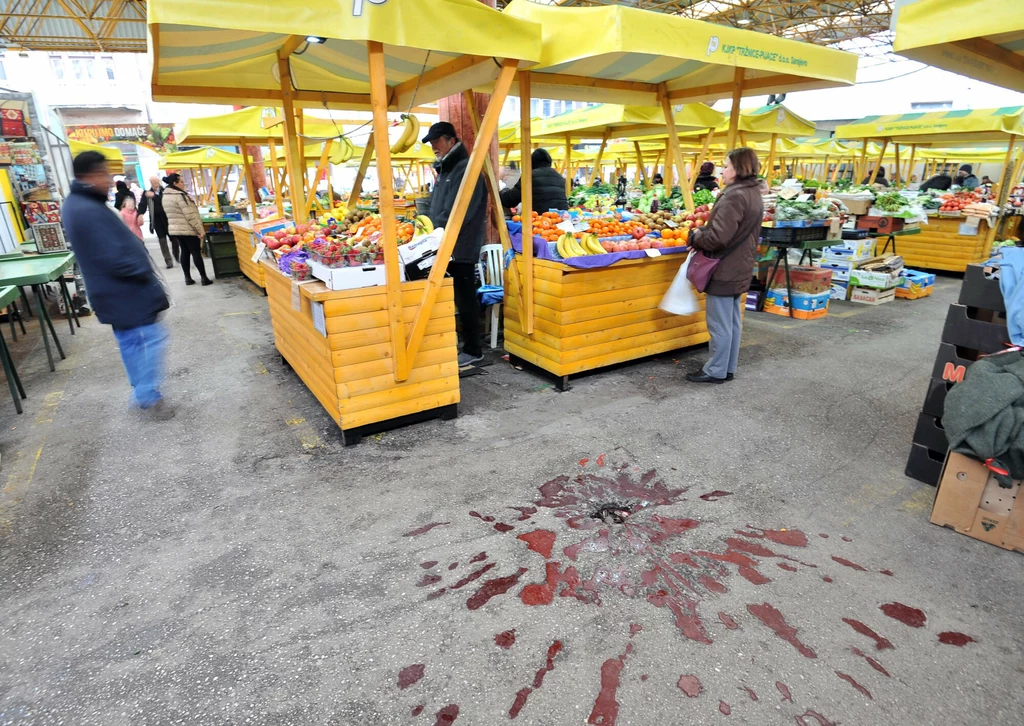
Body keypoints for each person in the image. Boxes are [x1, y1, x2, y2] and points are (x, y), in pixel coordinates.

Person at [61, 151, 172, 418]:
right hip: (124, 291)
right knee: (150, 338)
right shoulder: (85, 208)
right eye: (104, 173)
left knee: (131, 342)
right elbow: (109, 254)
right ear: (89, 175)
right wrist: (141, 270)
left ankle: (143, 391)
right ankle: (146, 394)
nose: (109, 180)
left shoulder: (80, 203)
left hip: (113, 292)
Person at [685, 147, 764, 384]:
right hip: (740, 264)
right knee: (732, 321)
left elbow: (718, 237)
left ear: (738, 169)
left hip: (724, 266)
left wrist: (695, 236)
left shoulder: (734, 196)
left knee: (719, 323)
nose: (723, 170)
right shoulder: (753, 192)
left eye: (726, 166)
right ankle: (727, 367)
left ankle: (715, 370)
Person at [422, 121, 486, 366]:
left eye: (437, 142)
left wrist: (437, 232)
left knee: (465, 296)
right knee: (456, 297)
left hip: (460, 247)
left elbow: (461, 211)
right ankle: (462, 344)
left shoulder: (464, 169)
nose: (433, 147)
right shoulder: (447, 170)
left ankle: (473, 349)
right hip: (444, 244)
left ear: (450, 140)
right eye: (431, 143)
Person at [162, 172, 212, 286]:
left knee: (184, 251)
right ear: (175, 183)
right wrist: (199, 230)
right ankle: (204, 278)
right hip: (187, 228)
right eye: (182, 182)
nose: (183, 184)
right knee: (196, 252)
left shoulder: (166, 195)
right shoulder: (180, 196)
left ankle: (188, 278)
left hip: (176, 229)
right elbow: (190, 215)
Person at [499, 148, 568, 214]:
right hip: (561, 219)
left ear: (532, 162)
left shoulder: (530, 176)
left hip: (540, 220)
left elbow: (510, 200)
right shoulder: (559, 177)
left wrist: (503, 191)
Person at [139, 175, 176, 268]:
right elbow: (142, 205)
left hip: (168, 218)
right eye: (153, 183)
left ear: (159, 182)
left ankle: (176, 253)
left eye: (156, 182)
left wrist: (154, 196)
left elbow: (164, 201)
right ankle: (168, 260)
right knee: (162, 240)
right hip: (157, 220)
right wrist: (140, 214)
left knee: (174, 239)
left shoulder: (165, 191)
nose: (155, 184)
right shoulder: (147, 193)